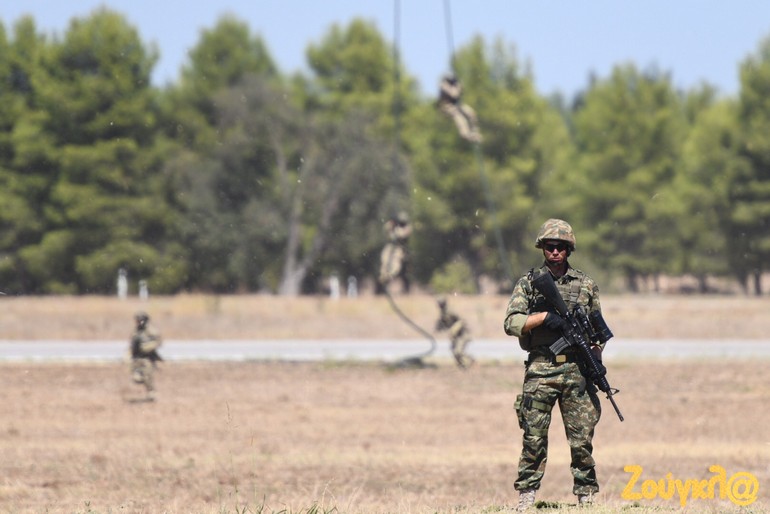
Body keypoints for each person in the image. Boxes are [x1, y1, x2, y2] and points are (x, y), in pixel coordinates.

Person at [503, 219, 605, 510]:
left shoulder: (586, 285)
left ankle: (586, 497)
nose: (556, 252)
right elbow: (511, 323)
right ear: (542, 248)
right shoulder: (529, 283)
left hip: (576, 371)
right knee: (534, 437)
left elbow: (598, 331)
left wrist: (596, 360)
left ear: (569, 249)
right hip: (541, 369)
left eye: (561, 247)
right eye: (550, 246)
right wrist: (544, 318)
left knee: (581, 439)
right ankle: (527, 496)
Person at [436, 74, 482, 143]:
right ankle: (466, 135)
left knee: (471, 113)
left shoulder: (455, 85)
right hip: (447, 106)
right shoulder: (444, 86)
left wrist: (458, 87)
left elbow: (459, 92)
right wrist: (454, 88)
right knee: (460, 118)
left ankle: (474, 132)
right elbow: (453, 95)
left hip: (457, 105)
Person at [129, 311, 163, 401]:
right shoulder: (136, 331)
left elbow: (158, 341)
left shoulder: (151, 331)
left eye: (139, 320)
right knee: (136, 378)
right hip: (137, 358)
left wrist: (147, 347)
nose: (137, 322)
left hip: (148, 358)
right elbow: (132, 343)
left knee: (148, 376)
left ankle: (151, 392)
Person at [435, 296, 474, 368]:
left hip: (462, 334)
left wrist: (454, 329)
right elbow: (443, 324)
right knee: (454, 352)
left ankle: (470, 362)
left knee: (458, 352)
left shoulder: (450, 311)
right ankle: (463, 366)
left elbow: (462, 321)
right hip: (455, 336)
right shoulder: (443, 313)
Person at [378, 211, 412, 293]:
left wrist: (397, 230)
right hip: (390, 247)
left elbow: (402, 235)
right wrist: (392, 225)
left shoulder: (406, 228)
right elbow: (387, 230)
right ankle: (384, 277)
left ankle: (389, 276)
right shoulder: (392, 226)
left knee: (396, 266)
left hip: (399, 249)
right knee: (385, 261)